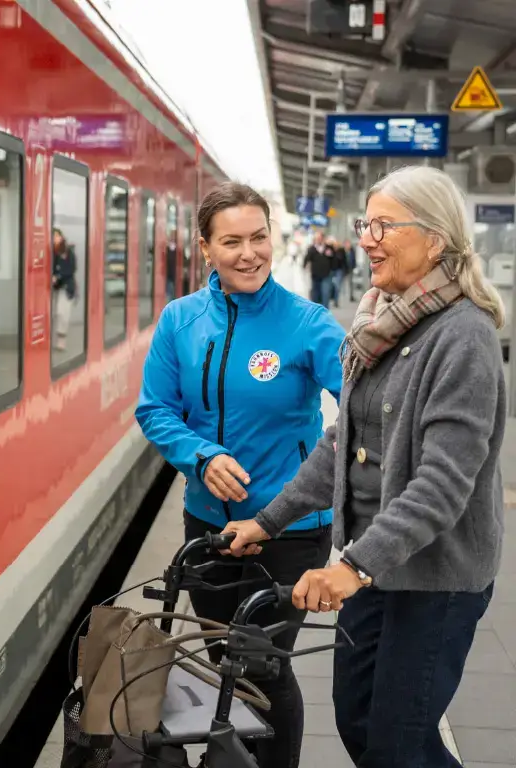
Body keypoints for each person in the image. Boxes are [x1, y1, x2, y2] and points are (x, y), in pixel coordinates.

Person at [221, 165, 506, 767]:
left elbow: (442, 483)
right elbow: (340, 442)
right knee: (357, 721)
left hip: (435, 580)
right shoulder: (381, 321)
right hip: (378, 568)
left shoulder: (463, 338)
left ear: (434, 240)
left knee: (397, 745)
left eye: (382, 225)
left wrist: (350, 568)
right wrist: (268, 522)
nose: (366, 238)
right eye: (364, 223)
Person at [135, 181, 345, 768]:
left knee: (261, 668)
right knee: (218, 660)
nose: (249, 253)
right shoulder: (181, 321)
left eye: (259, 237)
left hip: (289, 531)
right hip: (209, 526)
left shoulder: (309, 323)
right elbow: (154, 408)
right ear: (205, 248)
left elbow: (362, 412)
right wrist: (201, 455)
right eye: (232, 241)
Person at [52, 228, 76, 351]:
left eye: (57, 236)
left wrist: (58, 276)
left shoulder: (68, 251)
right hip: (53, 288)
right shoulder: (51, 253)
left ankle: (61, 338)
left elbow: (71, 268)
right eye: (53, 236)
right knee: (55, 313)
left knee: (62, 313)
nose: (55, 238)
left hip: (66, 288)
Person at [304, 231, 333, 307]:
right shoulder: (312, 249)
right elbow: (307, 258)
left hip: (326, 274)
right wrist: (304, 266)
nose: (318, 240)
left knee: (325, 293)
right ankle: (317, 311)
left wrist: (333, 269)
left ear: (323, 238)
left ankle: (325, 311)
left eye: (320, 238)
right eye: (317, 238)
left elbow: (334, 259)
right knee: (315, 294)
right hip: (315, 275)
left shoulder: (328, 248)